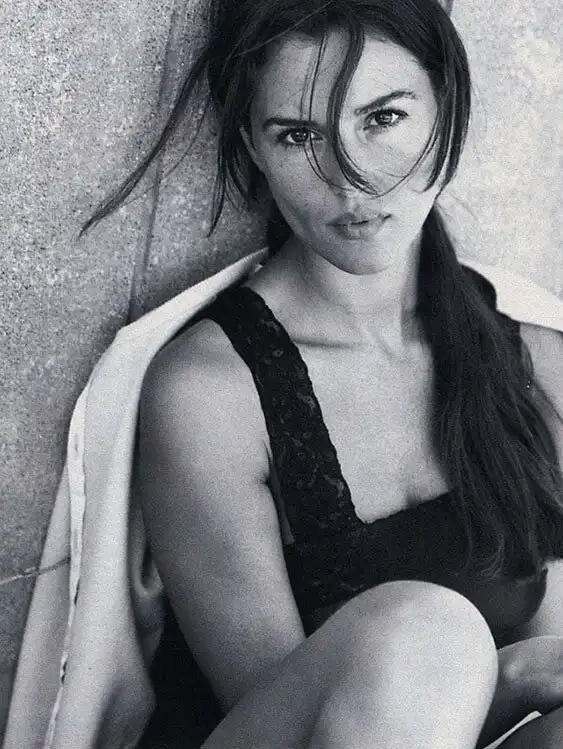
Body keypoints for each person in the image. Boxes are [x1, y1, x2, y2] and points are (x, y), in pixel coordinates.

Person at [7, 1, 563, 748]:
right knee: (421, 632)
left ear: (447, 107)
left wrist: (533, 677)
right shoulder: (212, 390)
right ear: (253, 146)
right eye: (299, 135)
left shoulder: (536, 362)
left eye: (383, 118)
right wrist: (512, 675)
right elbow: (308, 724)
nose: (350, 180)